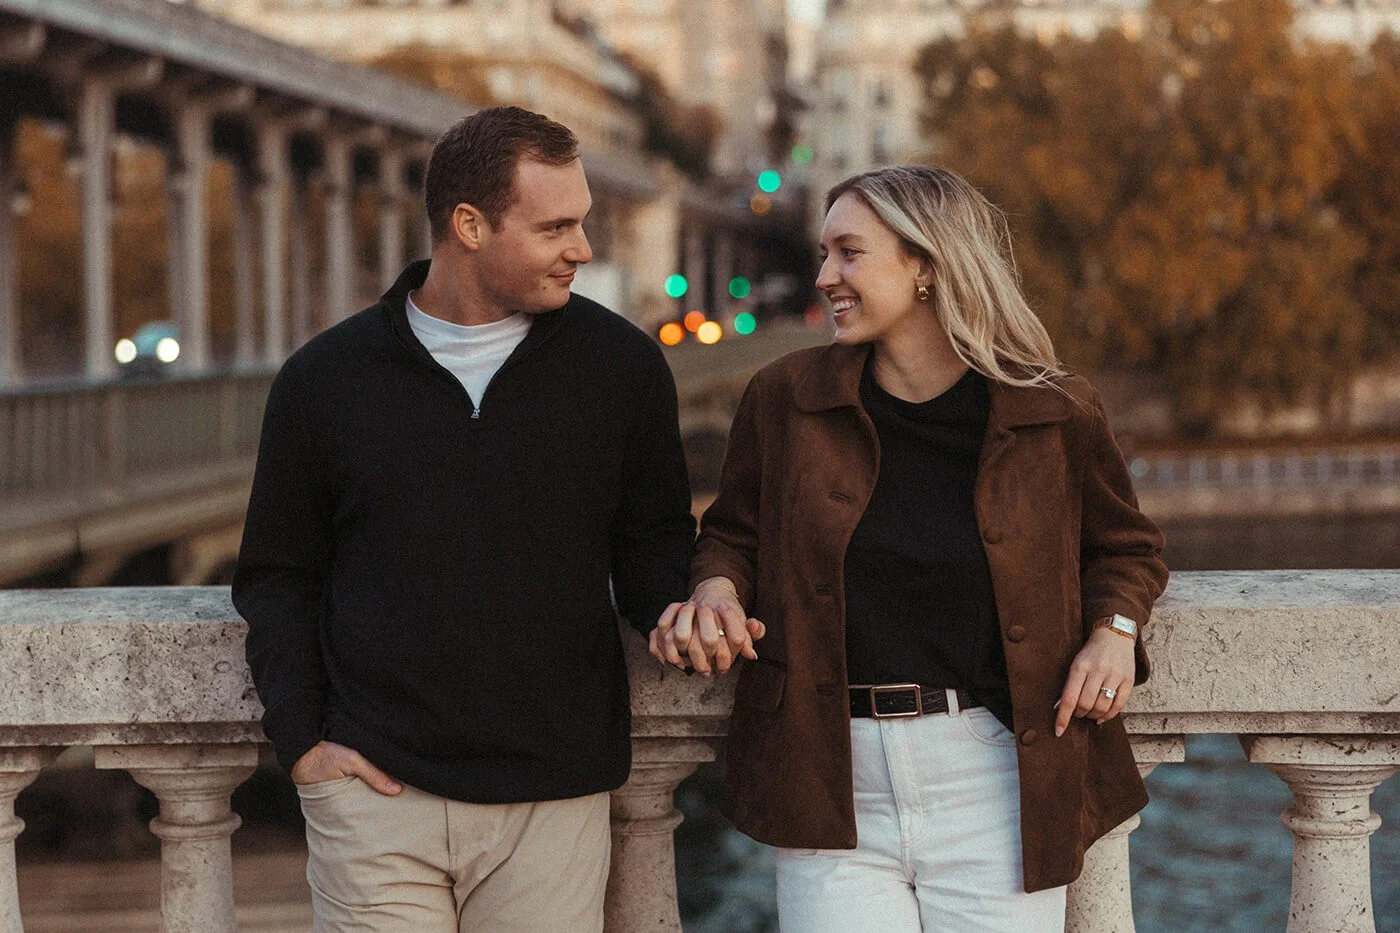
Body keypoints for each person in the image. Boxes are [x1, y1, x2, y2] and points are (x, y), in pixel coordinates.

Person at [651, 165, 1168, 932]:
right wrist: (717, 590)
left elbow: (1126, 548)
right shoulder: (785, 397)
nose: (825, 275)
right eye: (825, 253)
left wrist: (1115, 632)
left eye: (849, 252)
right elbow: (732, 534)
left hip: (996, 779)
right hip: (829, 777)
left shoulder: (1052, 408)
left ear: (926, 264)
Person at [234, 106, 695, 933]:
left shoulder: (623, 369)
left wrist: (706, 597)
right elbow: (277, 577)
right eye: (556, 226)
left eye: (582, 221)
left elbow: (656, 550)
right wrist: (304, 743)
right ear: (469, 225)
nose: (582, 249)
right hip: (376, 798)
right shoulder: (322, 382)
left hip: (552, 803)